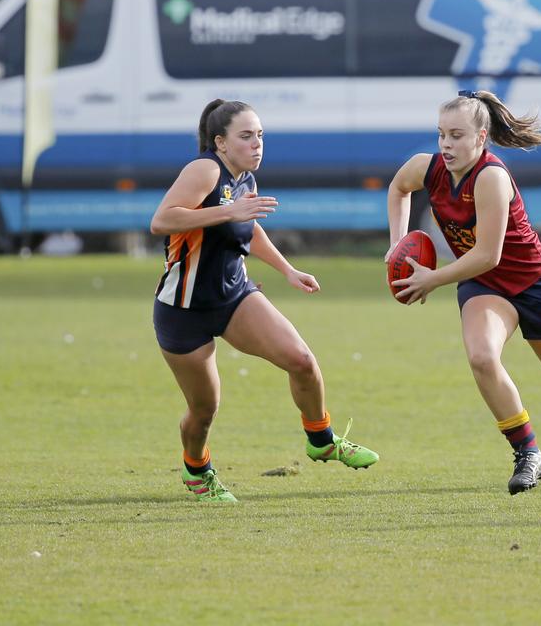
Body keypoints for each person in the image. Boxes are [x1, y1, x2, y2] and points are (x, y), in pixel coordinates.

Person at [386, 90, 541, 506]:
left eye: (456, 135)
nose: (446, 145)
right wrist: (397, 245)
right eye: (441, 135)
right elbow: (398, 188)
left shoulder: (490, 177)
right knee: (482, 357)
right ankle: (528, 452)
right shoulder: (427, 168)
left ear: (481, 137)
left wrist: (433, 279)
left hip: (533, 284)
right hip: (484, 284)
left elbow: (489, 254)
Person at [150, 98, 378, 503]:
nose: (257, 145)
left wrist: (288, 270)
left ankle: (321, 439)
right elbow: (162, 220)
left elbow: (249, 230)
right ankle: (197, 471)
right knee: (204, 409)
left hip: (234, 297)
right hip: (183, 310)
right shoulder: (204, 170)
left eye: (260, 136)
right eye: (246, 136)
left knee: (302, 361)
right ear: (220, 142)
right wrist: (226, 211)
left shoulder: (245, 179)